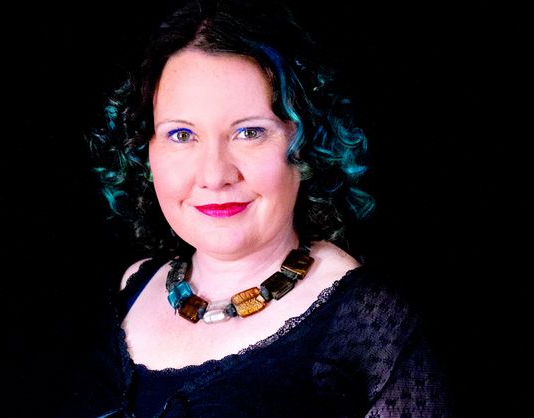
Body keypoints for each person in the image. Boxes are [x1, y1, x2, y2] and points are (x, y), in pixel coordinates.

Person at [77, 0, 453, 416]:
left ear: (306, 144)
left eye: (250, 132)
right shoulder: (133, 286)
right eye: (181, 135)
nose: (215, 175)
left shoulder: (368, 322)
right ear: (145, 150)